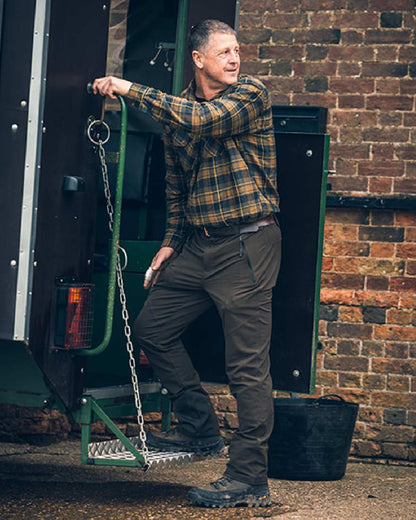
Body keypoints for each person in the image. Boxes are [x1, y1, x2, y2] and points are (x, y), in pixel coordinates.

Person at [92, 19, 281, 508]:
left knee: (247, 368)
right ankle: (199, 428)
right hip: (198, 247)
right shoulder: (180, 110)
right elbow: (178, 190)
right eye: (224, 52)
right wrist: (170, 243)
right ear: (198, 59)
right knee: (153, 327)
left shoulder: (250, 94)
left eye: (237, 50)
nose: (235, 59)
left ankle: (249, 479)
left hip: (247, 246)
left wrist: (128, 88)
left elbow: (200, 120)